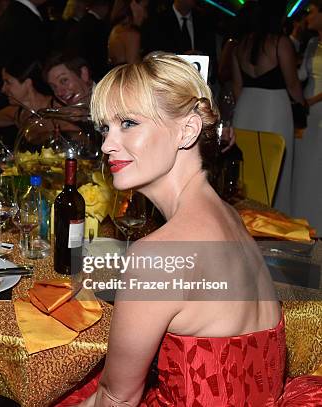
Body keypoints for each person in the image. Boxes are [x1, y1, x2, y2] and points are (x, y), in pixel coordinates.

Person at [62, 53, 322, 406]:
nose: (107, 143)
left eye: (128, 124)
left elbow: (117, 399)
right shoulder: (229, 216)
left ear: (186, 130)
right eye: (105, 127)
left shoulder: (157, 256)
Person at [231, 1, 306, 215]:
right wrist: (303, 105)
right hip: (274, 107)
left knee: (249, 169)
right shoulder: (279, 42)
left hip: (246, 106)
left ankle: (245, 219)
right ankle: (276, 221)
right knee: (276, 168)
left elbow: (237, 87)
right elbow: (293, 84)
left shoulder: (241, 45)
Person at [293, 0, 322, 232]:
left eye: (311, 12)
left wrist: (311, 101)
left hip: (317, 107)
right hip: (307, 110)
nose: (307, 16)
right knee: (305, 163)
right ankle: (304, 220)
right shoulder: (312, 42)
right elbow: (301, 73)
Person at [0, 58, 58, 129]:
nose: (3, 89)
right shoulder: (18, 112)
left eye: (8, 82)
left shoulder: (56, 108)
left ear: (27, 83)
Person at [107, 0, 149, 66]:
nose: (145, 15)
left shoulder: (116, 30)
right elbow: (134, 71)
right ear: (133, 5)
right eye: (145, 7)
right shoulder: (131, 35)